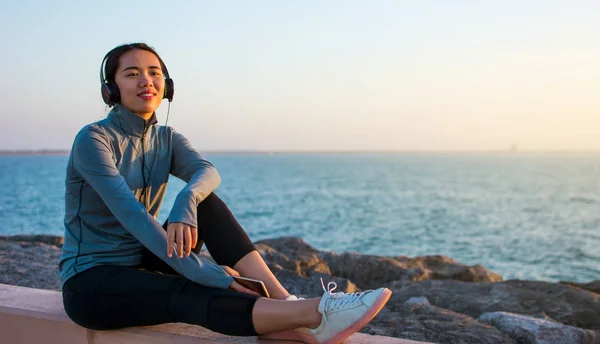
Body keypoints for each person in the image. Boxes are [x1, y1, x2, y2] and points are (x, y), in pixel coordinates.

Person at [59, 43, 391, 343]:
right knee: (191, 289)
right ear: (111, 90)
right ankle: (315, 313)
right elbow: (132, 215)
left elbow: (207, 173)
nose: (146, 81)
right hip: (91, 281)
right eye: (132, 74)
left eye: (154, 73)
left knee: (206, 203)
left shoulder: (166, 138)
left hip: (141, 263)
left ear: (167, 86)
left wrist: (185, 200)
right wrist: (209, 273)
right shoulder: (93, 140)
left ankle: (283, 303)